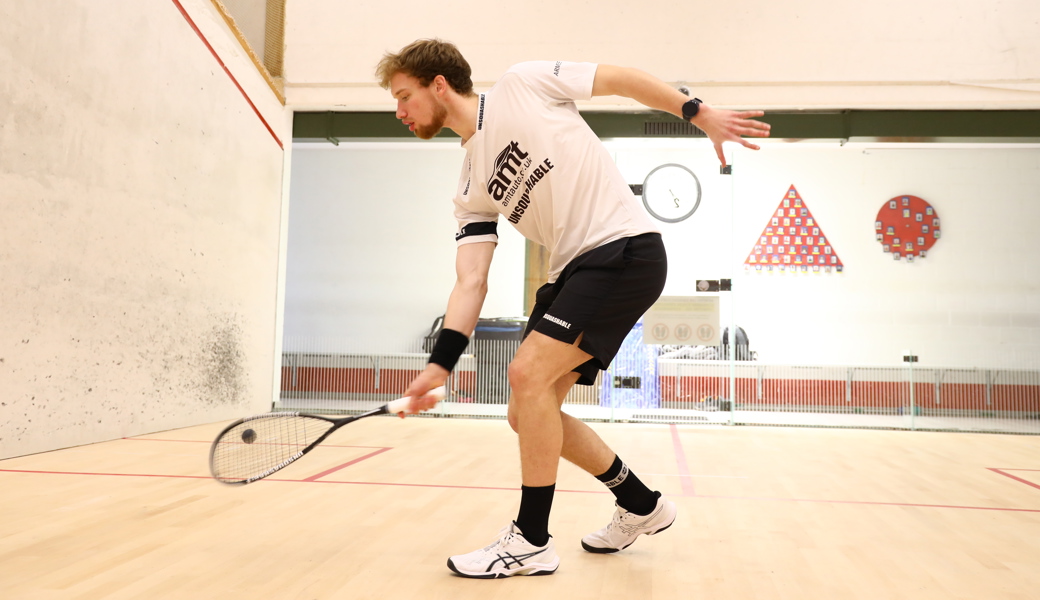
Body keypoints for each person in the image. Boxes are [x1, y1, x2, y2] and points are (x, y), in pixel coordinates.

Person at [375, 39, 770, 579]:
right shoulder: (470, 183)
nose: (399, 111)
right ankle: (641, 504)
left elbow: (623, 78)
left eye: (403, 96)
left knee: (526, 374)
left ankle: (531, 541)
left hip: (623, 247)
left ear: (437, 85)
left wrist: (696, 113)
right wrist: (440, 364)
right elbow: (471, 281)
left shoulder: (522, 84)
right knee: (526, 410)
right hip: (571, 273)